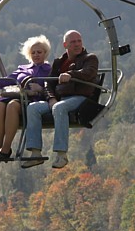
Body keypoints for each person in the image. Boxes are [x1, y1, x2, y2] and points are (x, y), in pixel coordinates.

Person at [22, 30, 99, 169]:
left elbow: (89, 73)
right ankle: (35, 153)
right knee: (33, 108)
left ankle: (61, 154)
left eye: (79, 41)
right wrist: (51, 98)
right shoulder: (59, 62)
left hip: (80, 97)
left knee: (59, 107)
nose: (77, 44)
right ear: (65, 45)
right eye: (73, 42)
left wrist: (70, 74)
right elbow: (48, 83)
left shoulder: (90, 58)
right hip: (61, 98)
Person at [0, 35, 52, 162]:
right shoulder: (23, 69)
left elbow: (52, 88)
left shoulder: (49, 70)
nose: (36, 55)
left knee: (12, 105)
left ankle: (6, 148)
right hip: (17, 96)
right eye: (33, 52)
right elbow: (7, 81)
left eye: (39, 52)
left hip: (31, 101)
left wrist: (39, 89)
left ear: (45, 53)